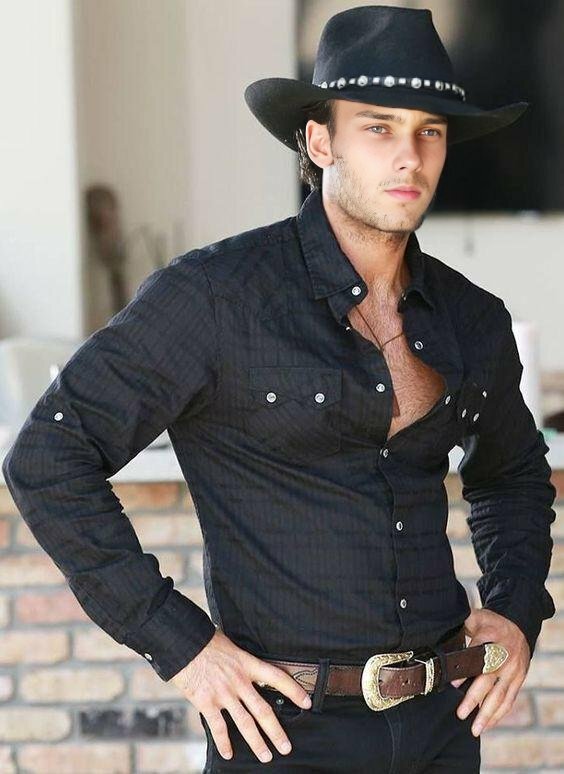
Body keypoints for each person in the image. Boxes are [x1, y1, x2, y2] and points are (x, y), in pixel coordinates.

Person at [2, 5, 556, 773]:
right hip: (283, 734)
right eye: (379, 127)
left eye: (428, 131)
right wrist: (184, 648)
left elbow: (513, 474)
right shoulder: (213, 297)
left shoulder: (472, 318)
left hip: (441, 727)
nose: (409, 156)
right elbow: (48, 456)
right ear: (320, 141)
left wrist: (516, 609)